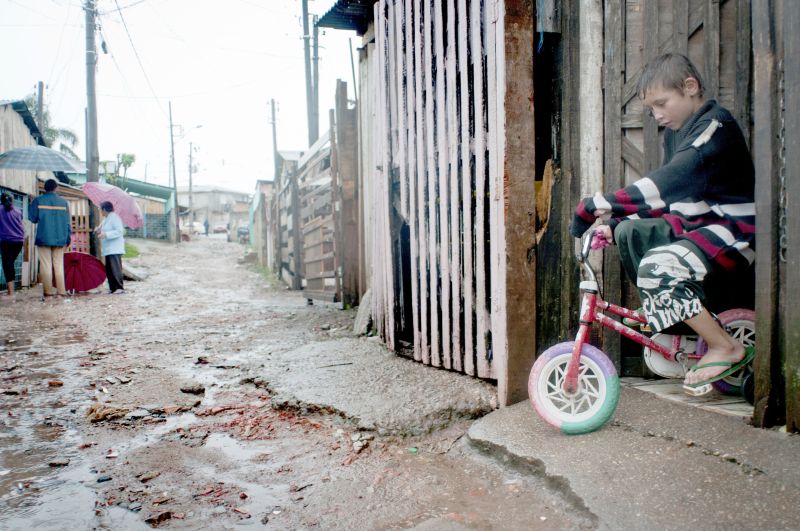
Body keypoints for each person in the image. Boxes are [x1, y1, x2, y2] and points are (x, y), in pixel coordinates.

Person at [569, 53, 755, 390]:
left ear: (690, 87)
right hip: (699, 225)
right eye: (651, 109)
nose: (656, 115)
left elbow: (668, 182)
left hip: (733, 230)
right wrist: (615, 221)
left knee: (658, 267)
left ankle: (724, 346)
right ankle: (682, 332)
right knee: (629, 232)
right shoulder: (677, 133)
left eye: (661, 104)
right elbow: (672, 200)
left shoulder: (714, 128)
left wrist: (600, 204)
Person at [29, 179, 71, 297]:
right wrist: (68, 238)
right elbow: (68, 222)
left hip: (44, 237)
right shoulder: (63, 202)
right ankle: (61, 291)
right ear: (56, 188)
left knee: (46, 265)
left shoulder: (38, 200)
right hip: (60, 238)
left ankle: (48, 292)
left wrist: (31, 205)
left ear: (45, 188)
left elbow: (33, 218)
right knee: (58, 264)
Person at [96, 201, 125, 294]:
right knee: (109, 269)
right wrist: (99, 231)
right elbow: (104, 231)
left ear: (104, 209)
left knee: (115, 268)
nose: (100, 211)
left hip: (115, 248)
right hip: (108, 248)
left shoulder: (115, 217)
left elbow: (120, 231)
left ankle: (119, 287)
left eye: (100, 209)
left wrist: (106, 234)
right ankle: (112, 288)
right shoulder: (106, 218)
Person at [0, 193, 25, 299]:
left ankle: (11, 293)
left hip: (7, 241)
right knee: (10, 263)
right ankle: (11, 292)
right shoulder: (17, 211)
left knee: (7, 264)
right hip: (19, 241)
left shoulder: (0, 209)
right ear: (12, 200)